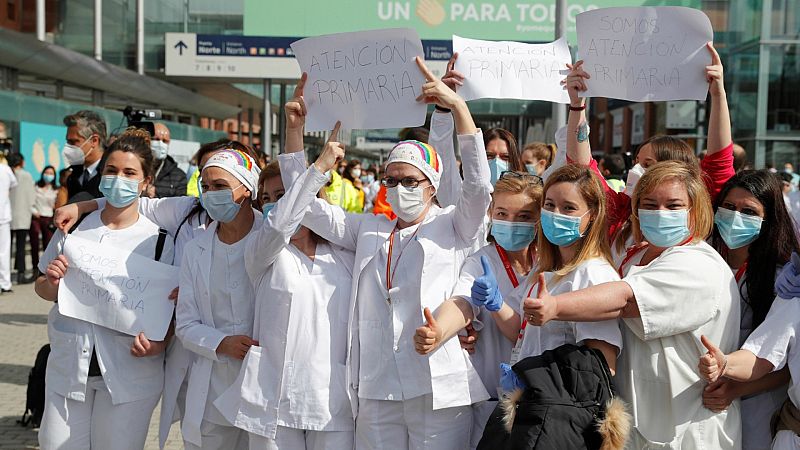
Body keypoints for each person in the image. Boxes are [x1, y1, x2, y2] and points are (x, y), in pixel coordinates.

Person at [282, 58, 492, 450]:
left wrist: (459, 108)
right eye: (391, 180)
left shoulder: (454, 224)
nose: (399, 188)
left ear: (431, 185)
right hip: (377, 389)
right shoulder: (370, 229)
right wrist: (295, 132)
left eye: (409, 181)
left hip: (435, 388)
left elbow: (479, 188)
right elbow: (305, 206)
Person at [525, 161, 741, 449]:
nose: (659, 214)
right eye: (649, 204)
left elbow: (625, 299)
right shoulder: (634, 256)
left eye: (673, 205)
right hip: (639, 426)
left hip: (686, 428)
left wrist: (555, 306)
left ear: (695, 210)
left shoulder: (698, 263)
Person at [216, 85, 357, 447]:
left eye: (283, 196)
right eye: (267, 199)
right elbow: (281, 224)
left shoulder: (344, 253)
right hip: (274, 400)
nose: (276, 205)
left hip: (333, 401)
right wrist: (310, 156)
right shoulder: (262, 251)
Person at [34, 128, 175, 450]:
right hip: (71, 365)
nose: (118, 179)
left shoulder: (161, 239)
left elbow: (172, 306)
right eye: (111, 171)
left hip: (129, 371)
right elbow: (42, 286)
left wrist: (160, 343)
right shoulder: (75, 226)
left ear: (145, 180)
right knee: (55, 444)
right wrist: (52, 284)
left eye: (129, 173)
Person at [411, 169, 542, 448]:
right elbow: (463, 303)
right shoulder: (481, 261)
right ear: (491, 211)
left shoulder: (551, 263)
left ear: (539, 217)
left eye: (524, 216)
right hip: (493, 398)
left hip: (544, 397)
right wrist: (439, 330)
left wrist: (498, 305)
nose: (510, 222)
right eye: (503, 213)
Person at [563, 43, 735, 250]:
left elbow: (720, 160)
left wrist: (718, 95)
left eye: (647, 164)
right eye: (636, 162)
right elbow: (583, 171)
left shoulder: (698, 211)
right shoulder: (622, 210)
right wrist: (577, 105)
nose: (636, 170)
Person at [704, 170, 799, 450]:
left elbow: (780, 361)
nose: (735, 217)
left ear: (768, 220)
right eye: (730, 207)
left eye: (749, 212)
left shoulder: (783, 281)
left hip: (756, 403)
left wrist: (736, 387)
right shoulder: (702, 259)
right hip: (703, 393)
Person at [175, 149, 262, 450]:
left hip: (263, 382)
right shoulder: (195, 249)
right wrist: (221, 342)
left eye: (221, 186)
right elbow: (185, 324)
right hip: (213, 387)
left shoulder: (274, 240)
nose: (211, 194)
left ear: (247, 188)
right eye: (206, 187)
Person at [62, 110, 107, 201]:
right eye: (68, 141)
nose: (69, 147)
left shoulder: (111, 173)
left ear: (94, 140)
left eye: (74, 141)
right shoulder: (73, 175)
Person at [8, 153, 35, 284]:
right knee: (20, 246)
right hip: (23, 216)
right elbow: (31, 197)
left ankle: (5, 274)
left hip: (7, 216)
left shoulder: (7, 174)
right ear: (22, 162)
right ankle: (20, 274)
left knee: (6, 247)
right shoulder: (27, 176)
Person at [147, 123, 187, 198]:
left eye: (165, 141)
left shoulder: (179, 176)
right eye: (156, 139)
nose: (160, 144)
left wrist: (157, 194)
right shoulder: (136, 167)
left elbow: (180, 205)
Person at [30, 166, 57, 278]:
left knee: (48, 244)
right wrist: (34, 211)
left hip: (49, 218)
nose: (48, 175)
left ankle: (46, 270)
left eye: (51, 173)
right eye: (47, 172)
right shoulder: (36, 186)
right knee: (34, 243)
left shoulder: (56, 189)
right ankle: (34, 269)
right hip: (36, 217)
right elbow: (30, 201)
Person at [0, 156, 16, 293]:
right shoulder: (5, 169)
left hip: (4, 216)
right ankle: (5, 283)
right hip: (3, 215)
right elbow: (13, 186)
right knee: (4, 251)